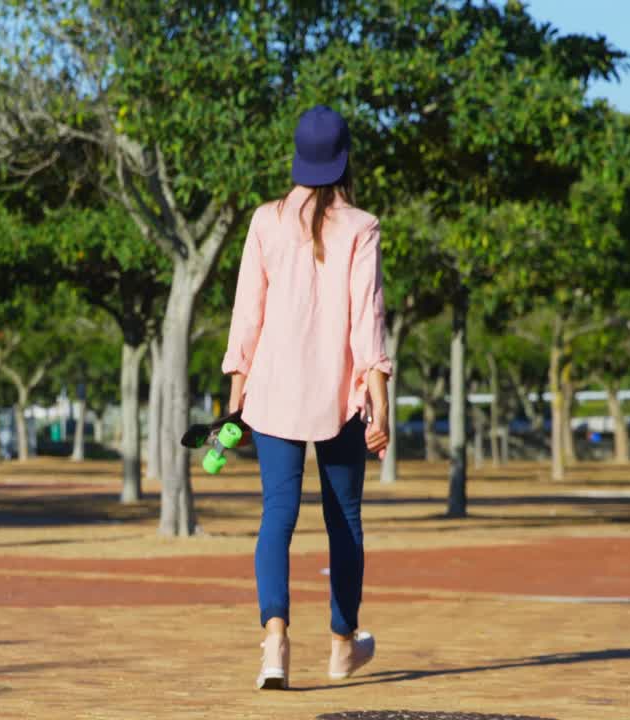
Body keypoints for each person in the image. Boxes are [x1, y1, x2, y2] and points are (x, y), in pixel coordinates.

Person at [221, 104, 392, 690]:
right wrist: (381, 402)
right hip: (339, 396)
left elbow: (248, 314)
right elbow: (367, 321)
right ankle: (343, 646)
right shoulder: (362, 226)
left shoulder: (266, 221)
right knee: (343, 518)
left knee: (277, 516)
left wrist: (235, 397)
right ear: (346, 160)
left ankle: (274, 644)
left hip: (271, 393)